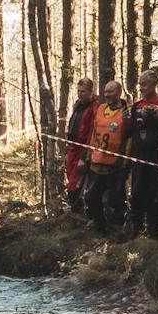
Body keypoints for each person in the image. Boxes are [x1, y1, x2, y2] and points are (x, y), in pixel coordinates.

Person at [124, 69, 158, 238]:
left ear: (155, 85)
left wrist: (155, 117)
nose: (141, 88)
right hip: (138, 157)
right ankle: (135, 230)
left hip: (157, 157)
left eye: (144, 84)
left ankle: (154, 232)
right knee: (137, 192)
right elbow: (130, 132)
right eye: (140, 85)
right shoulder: (136, 106)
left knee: (155, 194)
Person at [83, 79, 129, 234]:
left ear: (119, 92)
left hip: (115, 166)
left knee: (113, 200)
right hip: (96, 162)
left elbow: (129, 139)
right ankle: (99, 227)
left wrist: (126, 161)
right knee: (91, 197)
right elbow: (93, 134)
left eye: (111, 91)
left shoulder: (126, 112)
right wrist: (88, 156)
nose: (107, 95)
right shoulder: (101, 109)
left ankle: (116, 230)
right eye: (105, 92)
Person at [64, 79, 98, 214]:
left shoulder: (94, 107)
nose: (80, 94)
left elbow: (91, 133)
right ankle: (75, 213)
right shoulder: (78, 105)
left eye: (83, 91)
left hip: (82, 150)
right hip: (72, 148)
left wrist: (84, 156)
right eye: (78, 91)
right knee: (70, 181)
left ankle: (79, 213)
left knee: (76, 184)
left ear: (90, 92)